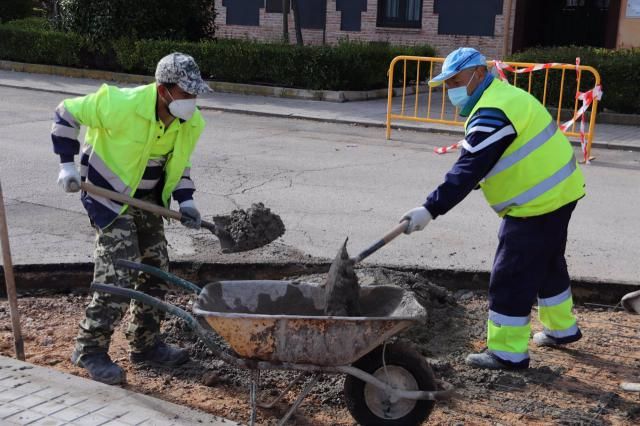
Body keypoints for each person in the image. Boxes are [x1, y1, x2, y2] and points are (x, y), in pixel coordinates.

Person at [400, 47, 585, 370]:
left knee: (510, 273)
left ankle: (507, 352)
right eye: (446, 84)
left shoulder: (492, 113)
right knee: (548, 261)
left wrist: (429, 209)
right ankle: (562, 329)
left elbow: (468, 170)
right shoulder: (503, 96)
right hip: (560, 192)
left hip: (536, 204)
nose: (450, 90)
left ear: (479, 73)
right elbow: (484, 163)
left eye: (455, 81)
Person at [51, 52, 211, 384]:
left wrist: (187, 202)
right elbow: (66, 112)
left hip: (148, 199)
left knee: (156, 269)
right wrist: (67, 164)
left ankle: (145, 344)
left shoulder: (190, 122)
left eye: (195, 94)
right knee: (119, 271)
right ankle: (89, 349)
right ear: (163, 89)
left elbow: (179, 165)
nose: (192, 101)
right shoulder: (119, 104)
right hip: (108, 195)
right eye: (186, 93)